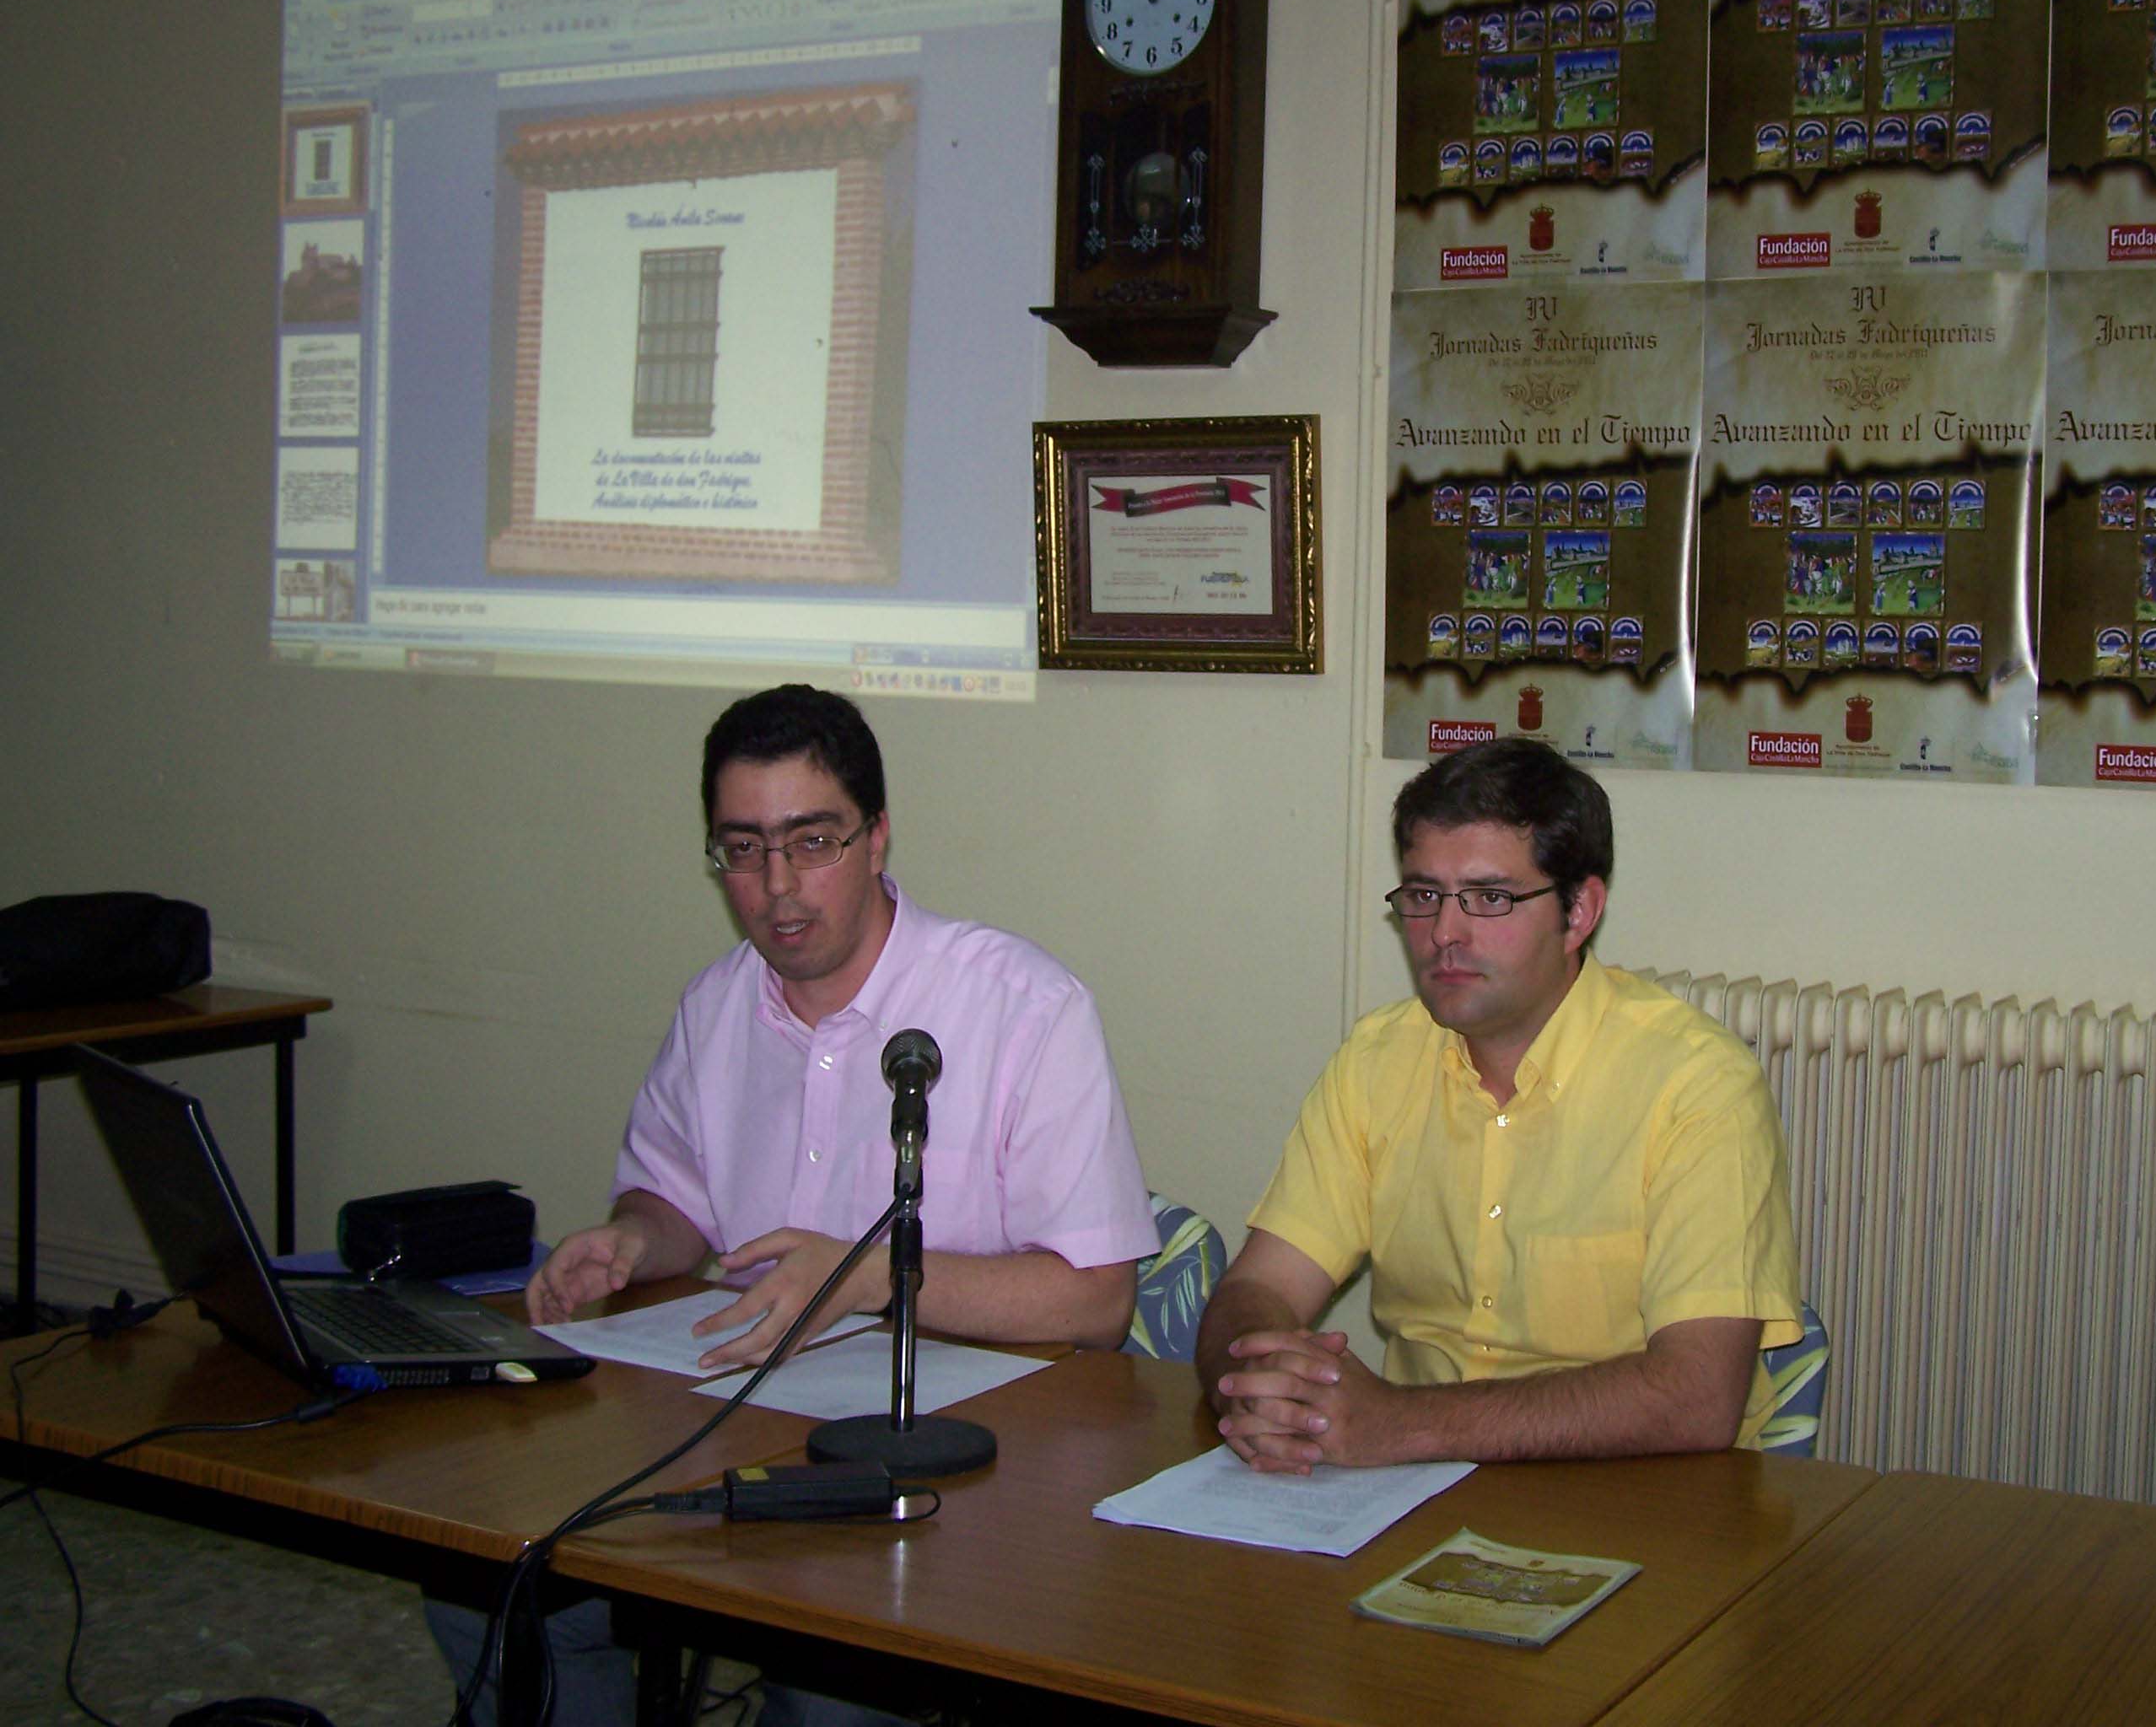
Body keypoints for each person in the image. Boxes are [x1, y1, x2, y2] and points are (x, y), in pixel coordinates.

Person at [434, 684, 1156, 1726]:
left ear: (877, 836)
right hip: (744, 1429)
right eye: (743, 850)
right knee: (486, 1590)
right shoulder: (715, 1004)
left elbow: (1096, 1302)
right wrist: (634, 1238)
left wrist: (867, 1277)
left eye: (812, 841)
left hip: (959, 1466)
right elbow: (675, 1195)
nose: (777, 887)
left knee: (828, 1686)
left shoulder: (1023, 1008)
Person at [1195, 739, 1801, 1475]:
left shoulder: (1697, 1083)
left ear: (1579, 912)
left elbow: (1697, 1394)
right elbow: (1258, 1288)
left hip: (1643, 1495)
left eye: (1490, 899)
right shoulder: (1377, 1060)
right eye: (1424, 896)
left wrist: (1403, 1424)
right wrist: (1261, 1386)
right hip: (1407, 1490)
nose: (1445, 933)